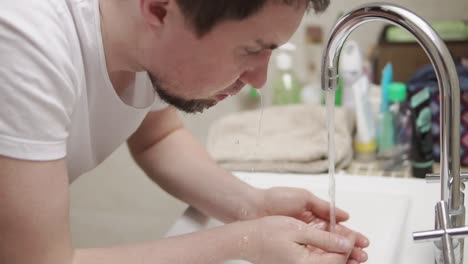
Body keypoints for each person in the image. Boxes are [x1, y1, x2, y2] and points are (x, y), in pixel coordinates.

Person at [0, 0, 369, 263]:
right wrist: (244, 242)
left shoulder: (141, 38)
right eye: (251, 49)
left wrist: (252, 207)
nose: (260, 78)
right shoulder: (23, 41)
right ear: (159, 9)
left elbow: (157, 138)